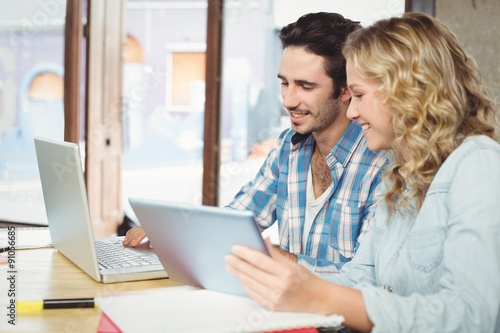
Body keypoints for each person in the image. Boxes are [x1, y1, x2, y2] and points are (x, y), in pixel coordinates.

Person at [225, 12, 500, 333]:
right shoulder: (402, 177)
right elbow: (359, 278)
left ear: (407, 91)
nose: (352, 111)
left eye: (358, 95)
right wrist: (286, 277)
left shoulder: (479, 164)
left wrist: (317, 293)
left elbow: (472, 316)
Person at [123, 12, 390, 275]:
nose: (288, 100)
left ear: (345, 89)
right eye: (285, 83)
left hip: (337, 317)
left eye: (305, 87)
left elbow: (365, 279)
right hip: (282, 309)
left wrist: (277, 259)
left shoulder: (382, 163)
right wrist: (175, 231)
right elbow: (241, 218)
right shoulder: (289, 147)